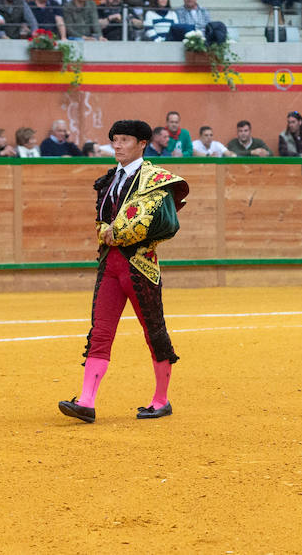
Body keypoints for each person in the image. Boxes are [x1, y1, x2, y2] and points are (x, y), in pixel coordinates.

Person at [58, 119, 189, 424]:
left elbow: (167, 225)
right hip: (109, 266)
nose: (117, 145)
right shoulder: (108, 181)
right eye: (114, 140)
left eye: (125, 140)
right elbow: (100, 219)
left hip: (140, 265)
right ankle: (87, 402)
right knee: (100, 333)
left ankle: (161, 400)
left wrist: (118, 235)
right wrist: (105, 231)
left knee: (154, 332)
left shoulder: (156, 179)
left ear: (142, 143)